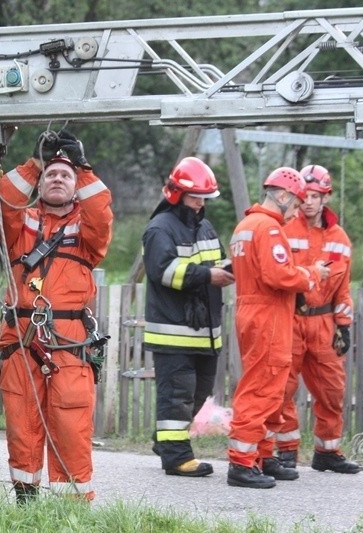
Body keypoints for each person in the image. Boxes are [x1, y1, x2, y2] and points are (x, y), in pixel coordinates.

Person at [0, 130, 112, 503]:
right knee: (22, 421)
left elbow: (101, 210)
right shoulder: (21, 224)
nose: (57, 178)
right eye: (51, 174)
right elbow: (1, 200)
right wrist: (34, 164)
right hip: (21, 337)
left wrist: (84, 168)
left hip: (70, 339)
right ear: (40, 183)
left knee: (71, 423)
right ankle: (25, 503)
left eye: (66, 176)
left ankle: (70, 509)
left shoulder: (87, 230)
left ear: (77, 187)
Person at [225, 167, 330, 489]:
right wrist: (312, 274)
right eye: (296, 205)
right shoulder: (268, 228)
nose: (297, 211)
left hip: (257, 312)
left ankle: (262, 455)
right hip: (267, 315)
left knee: (272, 386)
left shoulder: (246, 225)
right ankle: (242, 463)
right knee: (263, 386)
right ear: (283, 196)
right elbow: (279, 276)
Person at [142, 157, 234, 478]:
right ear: (175, 194)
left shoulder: (204, 226)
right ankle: (177, 457)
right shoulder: (159, 229)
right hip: (173, 331)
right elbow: (163, 271)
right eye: (195, 197)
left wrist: (233, 269)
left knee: (198, 393)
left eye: (204, 198)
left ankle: (167, 442)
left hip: (205, 332)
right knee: (177, 395)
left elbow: (219, 261)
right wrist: (208, 276)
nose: (200, 203)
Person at [275, 165, 359, 474]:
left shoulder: (340, 238)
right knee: (283, 387)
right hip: (292, 319)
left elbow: (343, 289)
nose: (308, 202)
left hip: (324, 324)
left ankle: (327, 450)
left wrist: (344, 326)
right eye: (303, 196)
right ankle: (286, 450)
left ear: (325, 198)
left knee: (332, 390)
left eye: (315, 196)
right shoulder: (284, 229)